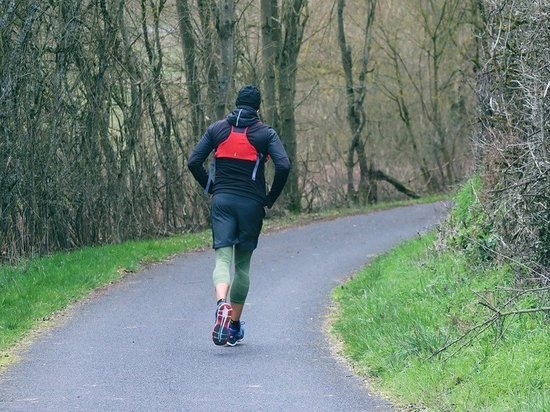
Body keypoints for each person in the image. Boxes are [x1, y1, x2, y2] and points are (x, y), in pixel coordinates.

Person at [188, 85, 290, 346]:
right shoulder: (265, 133)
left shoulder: (218, 129)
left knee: (222, 258)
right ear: (258, 108)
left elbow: (193, 161)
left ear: (236, 104)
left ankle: (221, 303)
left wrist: (210, 186)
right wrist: (270, 197)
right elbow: (284, 165)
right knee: (242, 266)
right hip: (251, 205)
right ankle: (233, 326)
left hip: (222, 201)